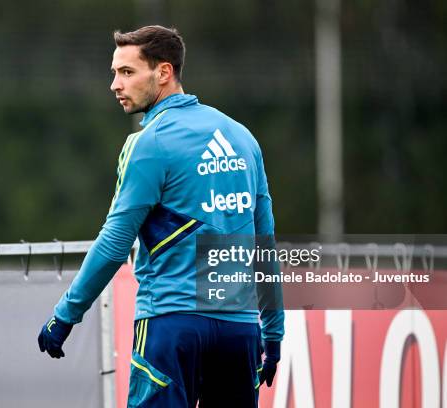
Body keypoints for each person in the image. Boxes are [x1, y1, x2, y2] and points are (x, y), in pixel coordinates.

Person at [38, 25, 284, 407]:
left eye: (127, 72)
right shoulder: (242, 137)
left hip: (172, 324)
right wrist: (272, 332)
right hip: (240, 333)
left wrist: (65, 315)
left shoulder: (148, 143)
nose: (115, 85)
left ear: (164, 73)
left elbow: (115, 243)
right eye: (114, 73)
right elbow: (263, 243)